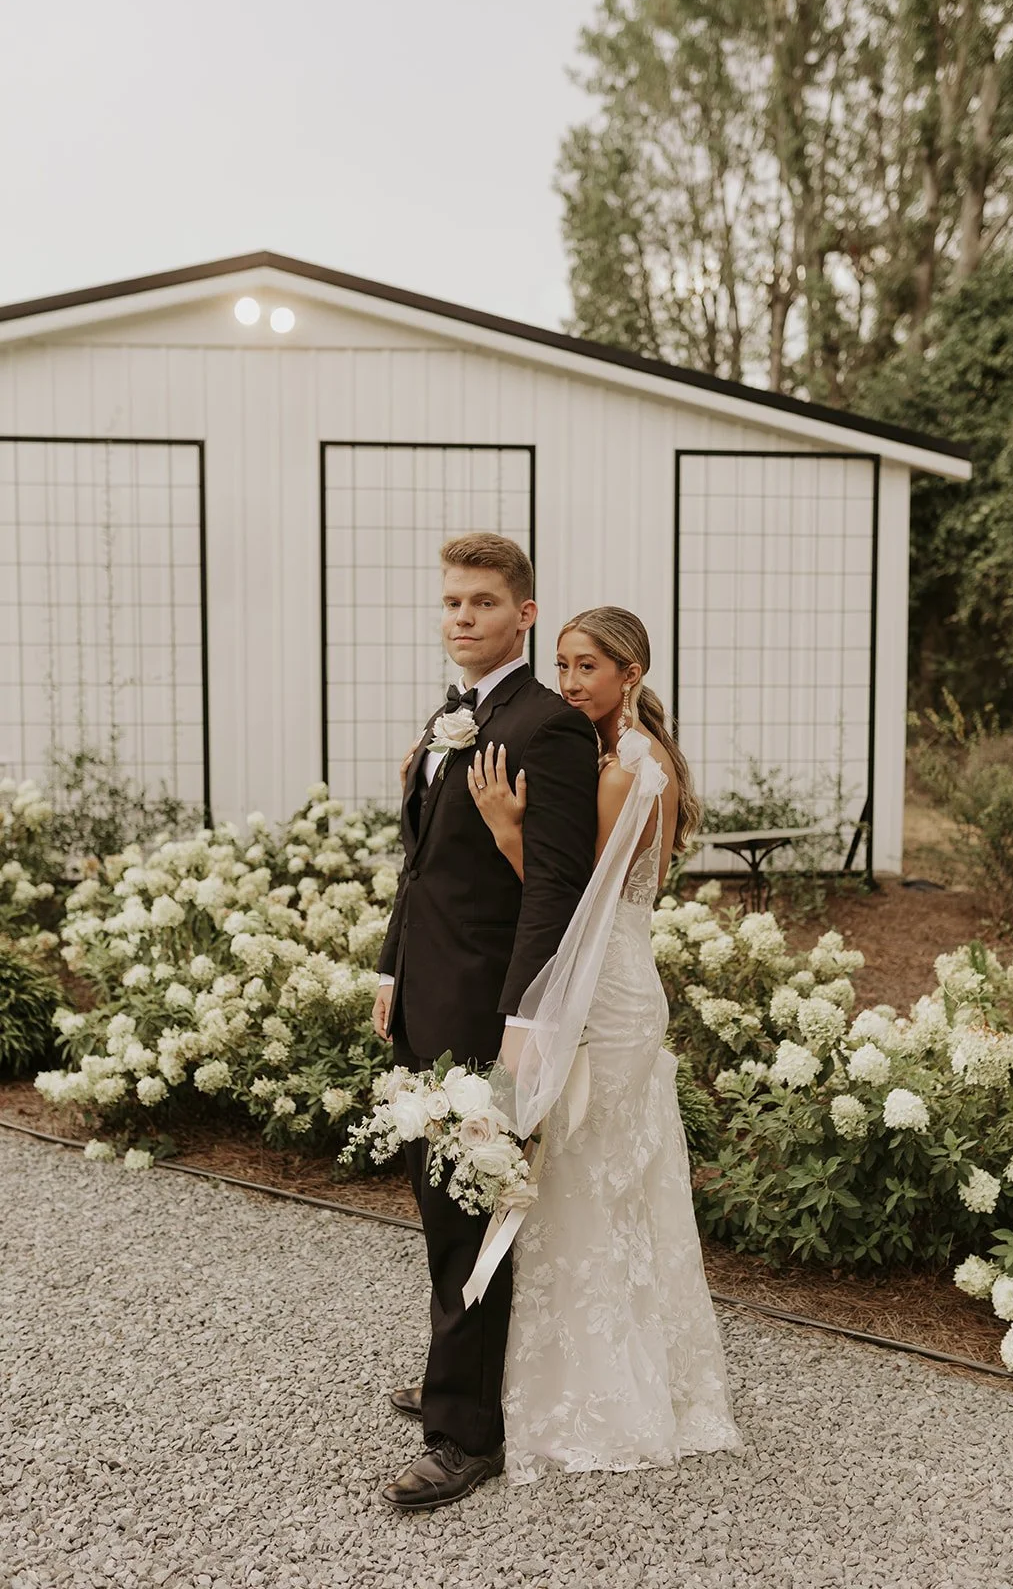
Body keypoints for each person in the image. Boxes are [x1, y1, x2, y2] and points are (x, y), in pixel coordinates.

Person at [467, 605, 742, 1483]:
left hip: (606, 990)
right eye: (562, 664)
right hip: (614, 979)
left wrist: (506, 830)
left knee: (586, 1178)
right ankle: (606, 1372)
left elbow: (575, 904)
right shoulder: (628, 754)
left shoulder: (626, 769)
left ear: (631, 673)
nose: (570, 682)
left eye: (587, 666)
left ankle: (598, 1391)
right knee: (606, 1182)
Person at [372, 534, 600, 1510]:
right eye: (451, 602)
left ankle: (464, 1435)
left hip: (486, 1007)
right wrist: (389, 965)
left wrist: (525, 1016)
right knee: (441, 1202)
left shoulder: (549, 726)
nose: (461, 617)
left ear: (524, 614)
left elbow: (555, 888)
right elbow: (419, 863)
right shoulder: (449, 715)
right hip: (426, 993)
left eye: (482, 602)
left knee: (472, 1210)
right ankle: (456, 1372)